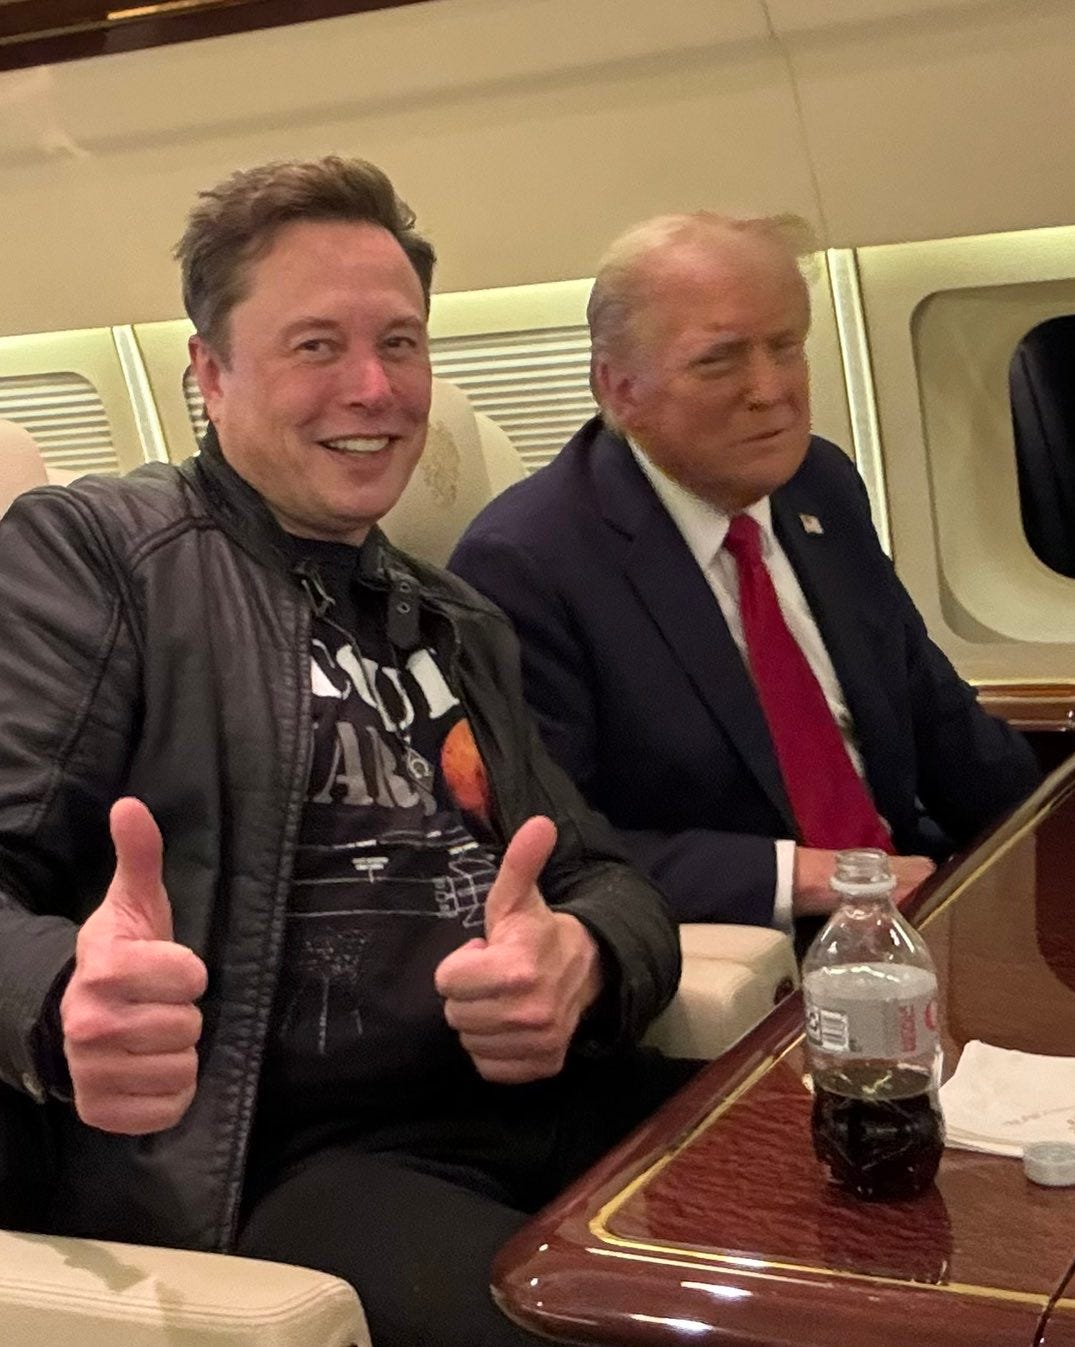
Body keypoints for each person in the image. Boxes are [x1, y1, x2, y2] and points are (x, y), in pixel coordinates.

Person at [0, 158, 697, 1347]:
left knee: (838, 1189)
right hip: (289, 1155)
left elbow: (608, 878)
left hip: (540, 1102)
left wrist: (581, 958)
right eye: (316, 345)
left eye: (401, 343)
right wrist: (64, 999)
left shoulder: (456, 618)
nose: (374, 388)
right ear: (210, 373)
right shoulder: (102, 560)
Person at [449, 212, 1040, 934]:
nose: (769, 389)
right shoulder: (525, 563)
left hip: (916, 892)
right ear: (618, 387)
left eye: (785, 347)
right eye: (719, 360)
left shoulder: (819, 483)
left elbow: (933, 712)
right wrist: (816, 876)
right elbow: (556, 844)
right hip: (757, 943)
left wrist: (1039, 826)